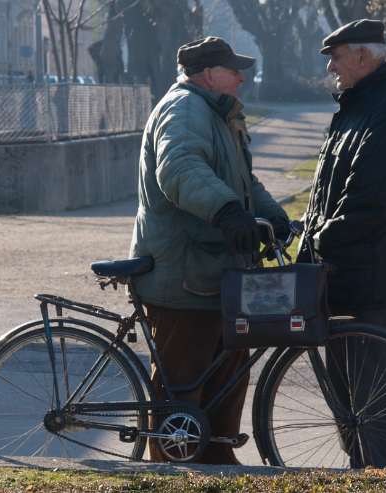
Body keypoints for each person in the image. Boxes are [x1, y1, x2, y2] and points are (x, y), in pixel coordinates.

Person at [129, 36, 289, 464]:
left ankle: (218, 457)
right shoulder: (184, 109)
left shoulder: (218, 113)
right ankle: (172, 468)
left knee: (228, 370)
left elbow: (244, 182)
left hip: (216, 272)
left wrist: (275, 219)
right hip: (184, 275)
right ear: (207, 75)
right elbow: (179, 169)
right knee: (183, 382)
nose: (241, 76)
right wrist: (226, 212)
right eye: (233, 69)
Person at [299, 19, 386, 468]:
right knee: (349, 403)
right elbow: (327, 191)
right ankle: (362, 473)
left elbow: (370, 199)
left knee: (375, 401)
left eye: (336, 56)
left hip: (371, 277)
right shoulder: (353, 108)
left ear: (363, 56)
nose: (330, 66)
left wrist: (319, 236)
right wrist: (306, 231)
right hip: (340, 275)